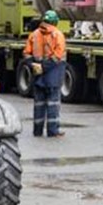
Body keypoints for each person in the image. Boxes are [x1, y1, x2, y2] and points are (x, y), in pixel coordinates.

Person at [24, 10, 66, 138]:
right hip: (53, 74)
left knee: (39, 104)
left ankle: (37, 130)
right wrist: (44, 67)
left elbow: (26, 53)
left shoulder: (34, 34)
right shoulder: (57, 35)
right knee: (53, 104)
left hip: (38, 75)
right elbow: (58, 55)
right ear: (55, 21)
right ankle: (52, 131)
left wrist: (34, 65)